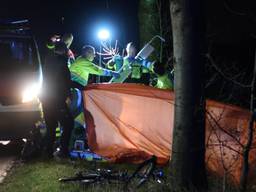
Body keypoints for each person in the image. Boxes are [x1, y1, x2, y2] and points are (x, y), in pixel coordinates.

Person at [40, 42, 74, 158]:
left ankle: (47, 152)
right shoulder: (62, 62)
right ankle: (63, 151)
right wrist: (69, 94)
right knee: (69, 123)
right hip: (57, 99)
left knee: (51, 127)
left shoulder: (48, 60)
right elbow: (65, 80)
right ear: (64, 50)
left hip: (45, 97)